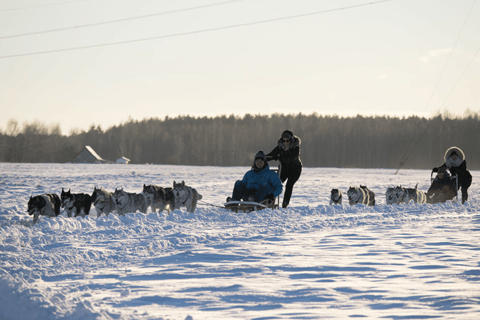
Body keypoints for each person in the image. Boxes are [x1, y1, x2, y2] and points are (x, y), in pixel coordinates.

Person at [266, 130, 302, 208]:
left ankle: (285, 204)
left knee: (289, 185)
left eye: (287, 140)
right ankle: (270, 201)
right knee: (275, 183)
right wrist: (262, 158)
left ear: (291, 140)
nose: (285, 142)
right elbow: (271, 155)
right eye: (283, 140)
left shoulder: (296, 147)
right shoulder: (279, 147)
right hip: (284, 169)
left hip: (295, 170)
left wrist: (280, 157)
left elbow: (291, 158)